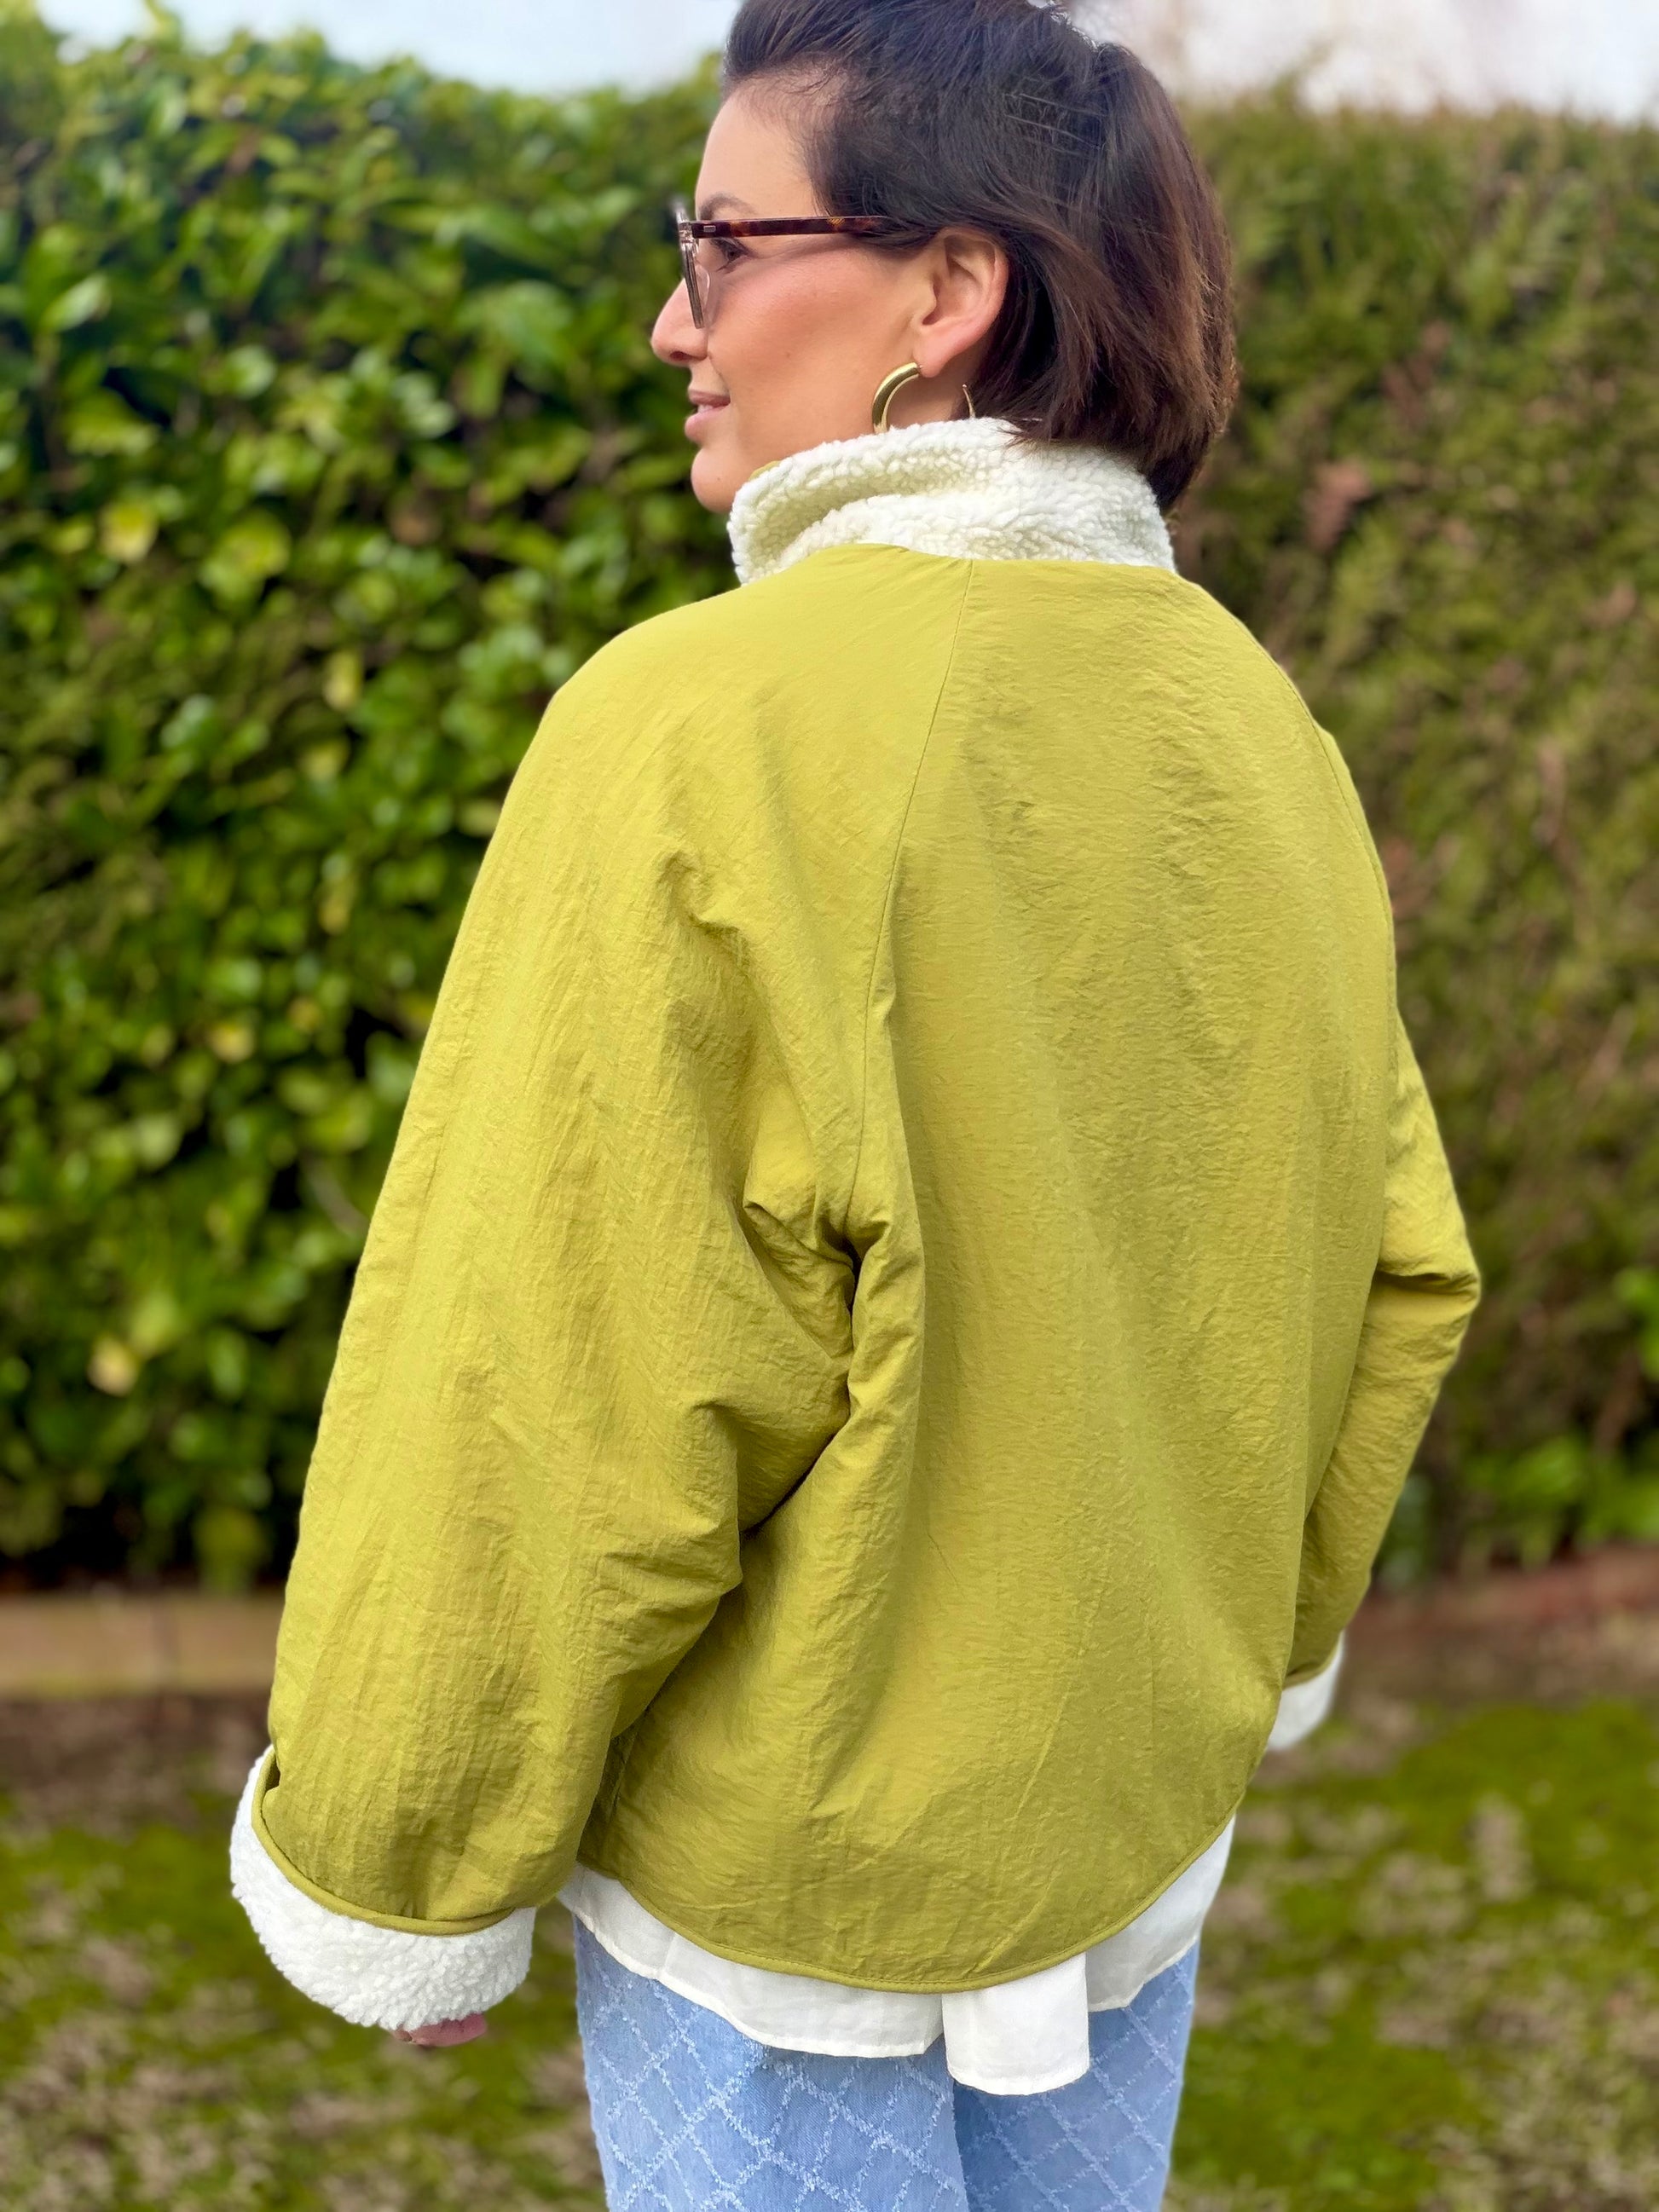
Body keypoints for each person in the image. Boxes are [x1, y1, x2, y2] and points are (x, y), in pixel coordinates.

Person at [230, 2, 1483, 2204]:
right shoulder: (1253, 725)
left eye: (721, 246)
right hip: (1124, 1826)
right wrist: (1241, 1654)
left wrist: (404, 1858)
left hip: (785, 1878)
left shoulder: (698, 725)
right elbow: (1393, 1270)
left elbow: (556, 1379)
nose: (671, 322)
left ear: (947, 288)